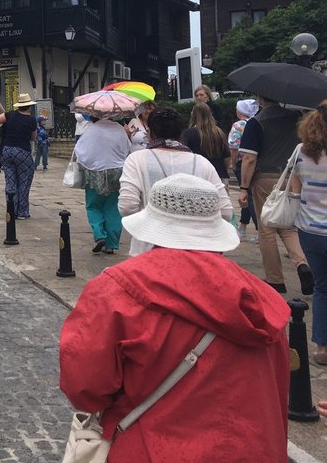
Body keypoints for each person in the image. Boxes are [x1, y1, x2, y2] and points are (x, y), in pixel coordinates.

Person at [60, 173, 290, 463]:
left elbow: (85, 388)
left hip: (150, 449)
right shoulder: (262, 301)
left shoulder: (117, 291)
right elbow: (277, 395)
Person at [119, 107, 232, 256]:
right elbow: (226, 212)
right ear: (180, 134)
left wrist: (148, 224)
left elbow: (127, 207)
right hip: (197, 251)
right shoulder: (202, 163)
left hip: (148, 249)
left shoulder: (136, 160)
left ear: (150, 133)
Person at [238, 93, 312, 294]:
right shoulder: (296, 119)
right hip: (293, 177)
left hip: (266, 177)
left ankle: (275, 279)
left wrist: (244, 187)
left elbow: (249, 158)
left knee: (267, 228)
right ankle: (301, 264)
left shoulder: (257, 122)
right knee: (289, 227)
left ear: (261, 98)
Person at [291, 100, 327, 365]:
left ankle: (322, 347)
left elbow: (294, 188)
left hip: (310, 229)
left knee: (322, 289)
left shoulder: (301, 151)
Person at [74, 115, 131, 254]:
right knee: (113, 208)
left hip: (95, 172)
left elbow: (80, 151)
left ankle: (99, 234)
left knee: (94, 205)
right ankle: (111, 244)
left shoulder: (91, 129)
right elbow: (127, 148)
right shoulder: (118, 128)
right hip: (117, 172)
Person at [0, 94, 36, 220]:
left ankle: (11, 209)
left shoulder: (10, 115)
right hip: (23, 152)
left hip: (7, 151)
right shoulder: (31, 120)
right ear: (29, 106)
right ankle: (22, 212)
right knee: (24, 182)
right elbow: (33, 138)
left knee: (10, 181)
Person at [228, 98, 260, 240]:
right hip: (257, 163)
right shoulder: (257, 123)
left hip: (243, 162)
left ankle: (259, 230)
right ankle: (243, 226)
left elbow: (234, 147)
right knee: (250, 195)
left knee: (247, 196)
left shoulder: (238, 125)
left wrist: (233, 163)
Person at [181, 102, 230, 182]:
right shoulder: (219, 132)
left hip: (197, 176)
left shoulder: (188, 133)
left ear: (193, 115)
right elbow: (227, 156)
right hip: (219, 174)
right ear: (210, 114)